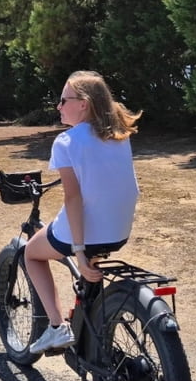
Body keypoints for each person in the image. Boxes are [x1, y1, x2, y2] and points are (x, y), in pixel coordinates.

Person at [25, 70, 142, 354]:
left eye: (63, 100)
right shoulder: (120, 136)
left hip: (87, 233)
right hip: (118, 230)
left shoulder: (67, 141)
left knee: (31, 253)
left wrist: (77, 251)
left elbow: (73, 198)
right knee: (85, 260)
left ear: (83, 103)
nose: (58, 106)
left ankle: (56, 328)